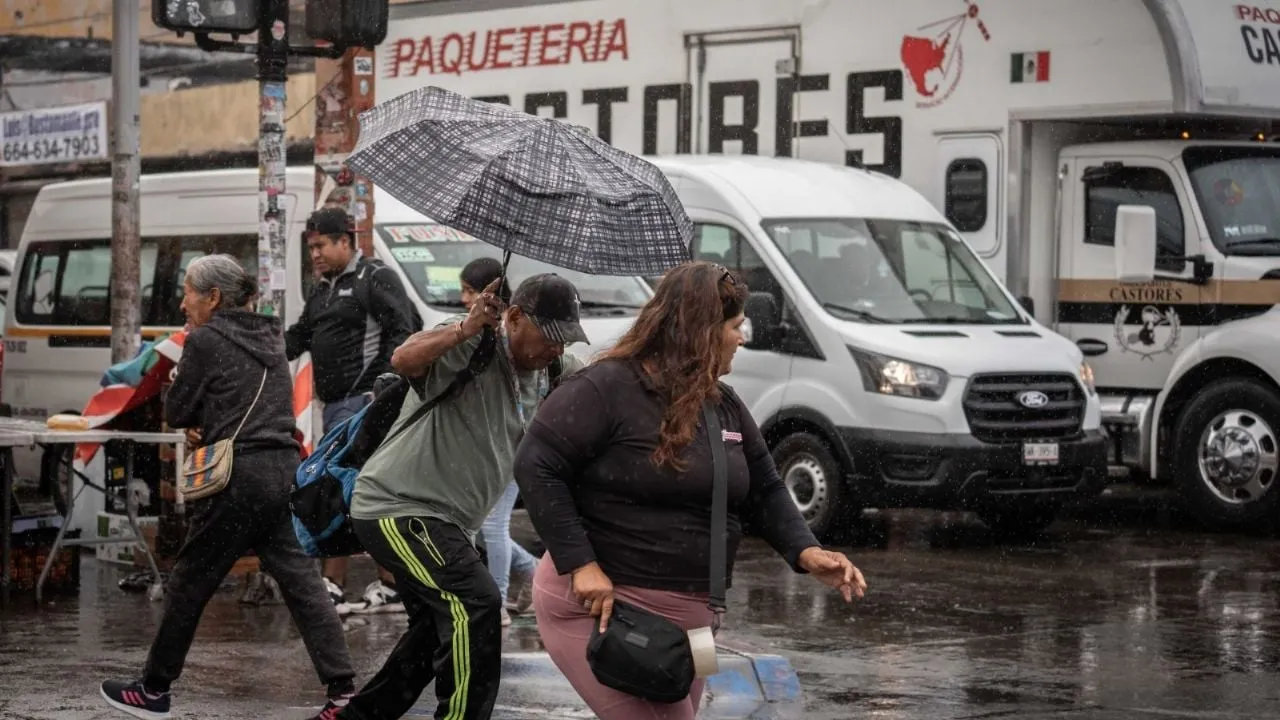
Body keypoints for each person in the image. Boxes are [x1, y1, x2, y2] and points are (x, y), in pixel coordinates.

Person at [512, 261, 868, 720]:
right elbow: (536, 465)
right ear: (702, 330)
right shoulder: (604, 388)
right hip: (608, 611)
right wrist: (580, 564)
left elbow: (765, 487)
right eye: (736, 326)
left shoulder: (724, 405)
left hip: (700, 623)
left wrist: (806, 551)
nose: (743, 337)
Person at [100, 255, 357, 720]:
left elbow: (179, 410)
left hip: (236, 477)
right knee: (302, 584)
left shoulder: (206, 339)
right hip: (281, 470)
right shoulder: (270, 335)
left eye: (189, 292)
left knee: (190, 582)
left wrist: (192, 404)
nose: (183, 302)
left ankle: (154, 689)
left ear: (214, 297)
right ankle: (343, 690)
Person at [336, 273, 588, 720]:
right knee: (478, 604)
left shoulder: (553, 370)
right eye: (549, 336)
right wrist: (466, 328)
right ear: (513, 317)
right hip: (397, 505)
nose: (556, 348)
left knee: (435, 631)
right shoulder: (474, 343)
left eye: (565, 339)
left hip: (449, 522)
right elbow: (403, 358)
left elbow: (601, 384)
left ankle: (361, 715)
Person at [286, 206, 419, 615]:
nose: (316, 255)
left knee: (341, 487)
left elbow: (404, 330)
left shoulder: (375, 278)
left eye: (322, 245)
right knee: (354, 489)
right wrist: (257, 351)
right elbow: (300, 336)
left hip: (363, 403)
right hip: (335, 406)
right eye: (311, 248)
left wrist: (378, 389)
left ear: (346, 241)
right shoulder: (323, 288)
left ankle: (341, 582)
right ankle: (383, 583)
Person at [459, 257, 540, 626]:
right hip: (484, 448)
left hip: (512, 446)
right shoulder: (482, 335)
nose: (463, 299)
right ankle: (534, 572)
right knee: (475, 526)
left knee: (492, 526)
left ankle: (497, 599)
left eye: (469, 291)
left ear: (490, 294)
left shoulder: (514, 338)